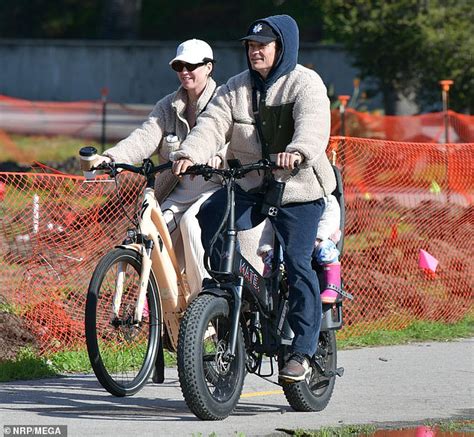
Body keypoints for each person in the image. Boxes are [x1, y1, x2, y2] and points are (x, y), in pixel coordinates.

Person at [172, 15, 336, 382]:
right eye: (250, 45)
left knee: (297, 262)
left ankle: (302, 351)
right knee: (209, 216)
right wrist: (188, 154)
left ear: (283, 48)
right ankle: (233, 297)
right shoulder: (235, 88)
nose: (255, 51)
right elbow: (210, 126)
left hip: (299, 189)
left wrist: (297, 151)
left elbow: (314, 126)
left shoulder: (304, 83)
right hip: (252, 186)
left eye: (262, 45)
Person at [95, 39, 224, 297]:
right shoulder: (168, 105)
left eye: (191, 65)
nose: (184, 71)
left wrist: (219, 157)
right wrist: (112, 157)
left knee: (191, 224)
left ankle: (207, 304)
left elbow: (236, 140)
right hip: (177, 192)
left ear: (209, 67)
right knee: (151, 234)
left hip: (214, 189)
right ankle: (162, 306)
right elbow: (144, 137)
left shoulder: (224, 101)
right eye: (179, 66)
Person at [257, 194, 342, 304]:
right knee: (274, 255)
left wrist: (317, 239)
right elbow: (270, 229)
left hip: (317, 240)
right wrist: (266, 249)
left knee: (324, 249)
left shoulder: (327, 199)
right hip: (291, 243)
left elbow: (329, 221)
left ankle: (333, 285)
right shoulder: (280, 202)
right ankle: (269, 283)